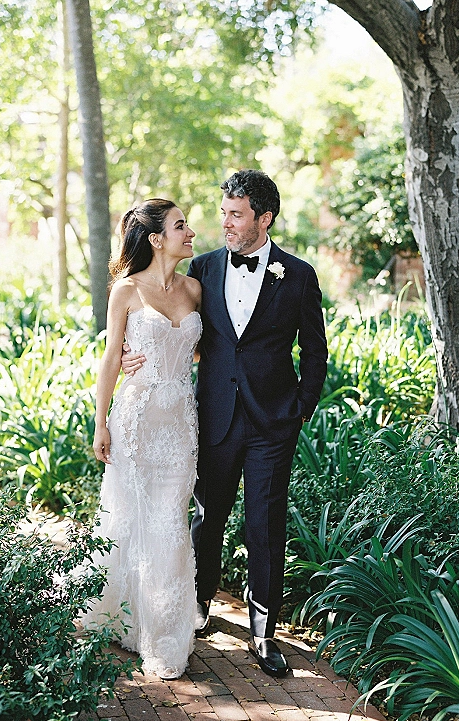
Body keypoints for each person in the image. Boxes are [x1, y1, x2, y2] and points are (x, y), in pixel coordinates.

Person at [122, 170, 327, 678]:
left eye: (237, 215)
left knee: (263, 524)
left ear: (265, 218)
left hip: (273, 423)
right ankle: (198, 603)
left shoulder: (298, 275)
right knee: (207, 518)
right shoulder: (204, 271)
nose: (226, 224)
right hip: (212, 418)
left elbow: (315, 349)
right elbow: (172, 326)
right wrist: (135, 354)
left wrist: (301, 406)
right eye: (224, 214)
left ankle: (263, 633)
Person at [85, 198, 202, 680]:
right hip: (134, 422)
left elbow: (203, 351)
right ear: (156, 239)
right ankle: (119, 614)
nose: (190, 231)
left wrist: (169, 361)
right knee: (131, 518)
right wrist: (100, 422)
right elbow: (112, 356)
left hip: (180, 425)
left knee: (170, 521)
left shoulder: (196, 289)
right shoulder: (126, 291)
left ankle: (166, 634)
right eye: (180, 225)